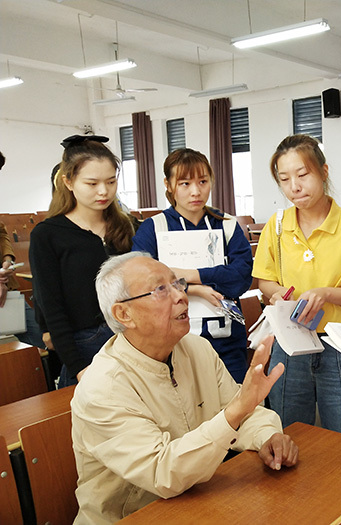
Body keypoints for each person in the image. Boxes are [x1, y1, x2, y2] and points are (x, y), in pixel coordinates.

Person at [71, 252, 298, 524]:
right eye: (160, 289)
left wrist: (268, 436)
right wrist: (238, 410)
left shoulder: (195, 348)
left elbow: (243, 413)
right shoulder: (102, 388)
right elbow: (162, 472)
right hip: (133, 516)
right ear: (124, 314)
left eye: (177, 283)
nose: (181, 296)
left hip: (195, 499)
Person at [252, 134, 341, 438]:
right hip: (289, 341)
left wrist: (326, 294)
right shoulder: (276, 226)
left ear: (323, 171)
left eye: (302, 175)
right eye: (284, 179)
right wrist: (276, 293)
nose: (294, 186)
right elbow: (265, 279)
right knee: (289, 433)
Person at [131, 148, 252, 382]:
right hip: (171, 344)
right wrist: (194, 289)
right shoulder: (153, 228)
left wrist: (187, 274)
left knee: (234, 400)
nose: (196, 191)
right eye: (185, 183)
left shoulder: (227, 225)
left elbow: (240, 278)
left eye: (203, 181)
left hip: (226, 341)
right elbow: (141, 283)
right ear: (168, 185)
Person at [29, 135, 135, 387]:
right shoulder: (48, 234)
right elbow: (51, 305)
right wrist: (77, 367)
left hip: (133, 337)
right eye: (92, 183)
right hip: (84, 345)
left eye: (111, 181)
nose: (104, 191)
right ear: (68, 181)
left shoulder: (128, 227)